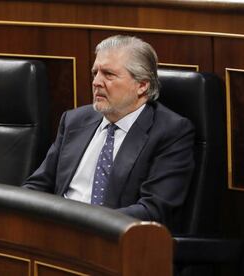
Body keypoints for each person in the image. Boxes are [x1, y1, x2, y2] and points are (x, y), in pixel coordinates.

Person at [22, 35, 195, 229]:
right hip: (58, 234)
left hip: (112, 240)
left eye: (108, 74)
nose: (96, 82)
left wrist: (87, 223)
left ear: (142, 85)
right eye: (95, 73)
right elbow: (39, 185)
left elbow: (153, 210)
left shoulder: (170, 132)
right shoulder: (74, 121)